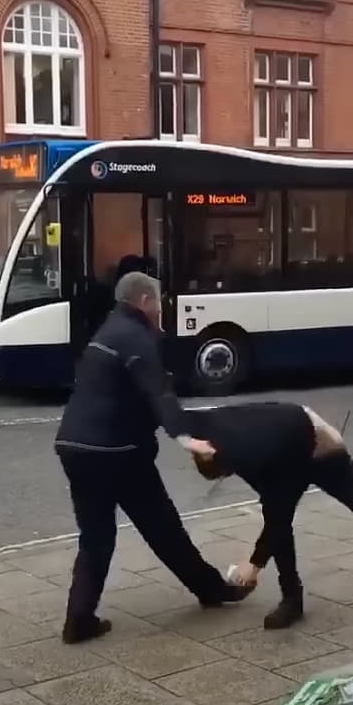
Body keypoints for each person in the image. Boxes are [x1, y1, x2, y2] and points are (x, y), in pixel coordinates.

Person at [55, 271, 249, 645]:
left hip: (75, 447)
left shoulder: (108, 330)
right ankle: (211, 590)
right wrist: (185, 436)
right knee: (164, 529)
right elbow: (159, 391)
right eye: (158, 302)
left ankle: (79, 619)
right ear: (145, 301)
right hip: (119, 452)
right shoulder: (136, 337)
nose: (161, 310)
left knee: (96, 537)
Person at [185, 402, 353, 629]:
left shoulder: (253, 452)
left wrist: (254, 565)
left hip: (318, 446)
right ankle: (292, 598)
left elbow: (278, 514)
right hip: (286, 450)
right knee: (278, 522)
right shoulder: (230, 447)